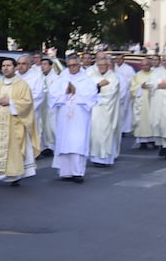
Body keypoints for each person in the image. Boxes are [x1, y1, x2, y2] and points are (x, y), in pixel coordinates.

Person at [0, 58, 40, 187]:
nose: (5, 68)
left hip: (14, 123)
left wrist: (10, 102)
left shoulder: (22, 85)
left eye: (9, 65)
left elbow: (27, 103)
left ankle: (15, 176)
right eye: (3, 66)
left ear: (15, 67)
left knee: (14, 151)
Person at [48, 55, 98, 183]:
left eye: (74, 65)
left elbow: (91, 97)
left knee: (78, 143)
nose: (71, 68)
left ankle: (77, 172)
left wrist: (76, 92)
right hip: (65, 117)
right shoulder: (62, 78)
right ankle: (65, 172)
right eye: (69, 65)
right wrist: (66, 92)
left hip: (80, 117)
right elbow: (52, 95)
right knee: (65, 143)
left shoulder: (87, 80)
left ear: (79, 65)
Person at [87, 53, 120, 167]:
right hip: (94, 110)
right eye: (99, 65)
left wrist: (98, 90)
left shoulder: (113, 78)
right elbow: (87, 90)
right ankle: (95, 157)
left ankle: (105, 158)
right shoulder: (92, 76)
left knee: (105, 132)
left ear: (108, 65)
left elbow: (111, 93)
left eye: (104, 65)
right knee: (94, 132)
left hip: (107, 111)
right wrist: (99, 86)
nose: (101, 67)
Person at [16, 54, 45, 147]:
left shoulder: (36, 77)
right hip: (14, 111)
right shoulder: (13, 77)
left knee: (29, 135)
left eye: (23, 64)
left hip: (30, 112)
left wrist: (24, 106)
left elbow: (39, 95)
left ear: (29, 65)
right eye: (19, 63)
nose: (20, 66)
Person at [130, 57, 155, 149]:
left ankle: (153, 141)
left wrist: (150, 86)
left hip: (152, 101)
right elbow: (132, 88)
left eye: (146, 65)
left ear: (150, 65)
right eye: (143, 65)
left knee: (152, 120)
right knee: (141, 121)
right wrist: (140, 87)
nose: (144, 67)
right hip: (140, 102)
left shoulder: (155, 74)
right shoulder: (137, 75)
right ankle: (142, 142)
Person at [37, 57, 59, 157]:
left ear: (50, 66)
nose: (43, 66)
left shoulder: (56, 78)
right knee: (42, 126)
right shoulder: (39, 77)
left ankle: (55, 146)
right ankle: (45, 147)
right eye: (42, 64)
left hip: (51, 106)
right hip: (42, 106)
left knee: (52, 126)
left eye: (45, 64)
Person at [149, 53, 166, 157]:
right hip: (159, 101)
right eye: (164, 60)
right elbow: (150, 83)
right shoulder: (156, 72)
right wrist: (158, 85)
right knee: (159, 123)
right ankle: (163, 146)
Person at [113, 54, 135, 135]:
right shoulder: (112, 67)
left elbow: (133, 79)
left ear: (123, 60)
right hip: (114, 92)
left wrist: (124, 82)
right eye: (117, 59)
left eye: (120, 59)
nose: (118, 60)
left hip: (125, 92)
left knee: (123, 112)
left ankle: (123, 130)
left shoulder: (128, 68)